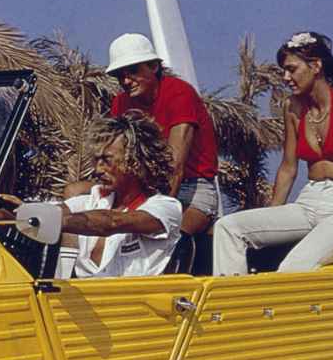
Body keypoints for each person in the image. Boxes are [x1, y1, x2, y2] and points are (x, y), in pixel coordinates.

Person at [212, 31, 333, 277]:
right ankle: (232, 307)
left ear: (315, 66)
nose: (286, 77)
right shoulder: (292, 107)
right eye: (284, 71)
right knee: (228, 227)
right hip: (309, 200)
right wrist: (272, 215)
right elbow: (288, 167)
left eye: (291, 69)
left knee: (293, 267)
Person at [62, 34, 220, 274]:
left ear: (154, 66)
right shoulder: (121, 102)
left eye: (133, 71)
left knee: (171, 238)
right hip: (144, 185)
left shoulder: (179, 93)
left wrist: (155, 208)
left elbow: (175, 166)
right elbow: (113, 155)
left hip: (191, 186)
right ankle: (63, 275)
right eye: (120, 75)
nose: (126, 80)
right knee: (74, 191)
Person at [3, 111, 184, 278]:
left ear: (135, 161)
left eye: (106, 160)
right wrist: (3, 214)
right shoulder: (92, 202)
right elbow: (47, 212)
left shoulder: (165, 208)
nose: (97, 170)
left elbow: (111, 222)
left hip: (136, 307)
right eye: (96, 160)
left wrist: (53, 220)